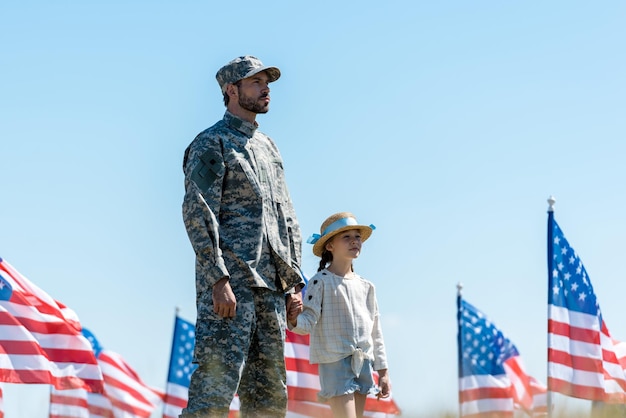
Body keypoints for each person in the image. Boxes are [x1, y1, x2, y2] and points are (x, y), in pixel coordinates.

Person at [180, 55, 304, 418]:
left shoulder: (269, 148)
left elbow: (286, 217)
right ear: (231, 90)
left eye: (267, 82)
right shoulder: (210, 143)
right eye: (256, 83)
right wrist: (217, 279)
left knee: (268, 397)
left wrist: (294, 283)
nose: (266, 89)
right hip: (230, 288)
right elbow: (198, 212)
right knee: (212, 394)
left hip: (272, 290)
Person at [288, 212, 390, 418]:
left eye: (357, 236)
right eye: (346, 237)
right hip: (334, 362)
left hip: (363, 363)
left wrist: (383, 372)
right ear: (329, 246)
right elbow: (307, 322)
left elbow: (375, 332)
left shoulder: (367, 286)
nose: (354, 241)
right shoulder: (320, 282)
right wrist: (293, 319)